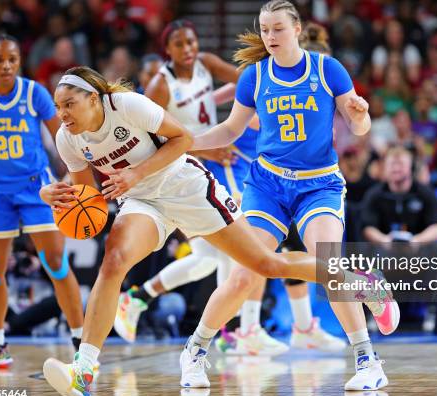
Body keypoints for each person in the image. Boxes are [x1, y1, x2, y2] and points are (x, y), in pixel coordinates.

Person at [39, 66, 396, 396]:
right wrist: (55, 195)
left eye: (69, 104)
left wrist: (135, 173)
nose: (63, 113)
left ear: (94, 99)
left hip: (186, 187)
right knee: (114, 261)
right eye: (58, 106)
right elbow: (89, 201)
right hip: (143, 203)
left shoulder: (127, 106)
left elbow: (183, 139)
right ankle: (83, 371)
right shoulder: (67, 139)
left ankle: (360, 281)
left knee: (265, 265)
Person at [185, 0, 399, 392]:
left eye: (278, 29)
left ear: (297, 29)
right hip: (267, 185)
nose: (270, 37)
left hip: (318, 183)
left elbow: (360, 125)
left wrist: (361, 113)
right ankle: (195, 352)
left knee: (328, 267)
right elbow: (231, 130)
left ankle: (369, 361)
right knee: (244, 275)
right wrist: (187, 144)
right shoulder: (254, 75)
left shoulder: (327, 69)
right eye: (265, 29)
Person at [115, 20, 341, 355]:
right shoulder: (163, 84)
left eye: (191, 41)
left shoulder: (206, 63)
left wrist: (234, 102)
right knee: (232, 249)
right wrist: (205, 147)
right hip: (190, 164)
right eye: (180, 44)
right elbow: (152, 135)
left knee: (220, 253)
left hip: (220, 161)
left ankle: (226, 328)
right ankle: (235, 329)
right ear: (168, 50)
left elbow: (246, 82)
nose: (189, 49)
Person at [0, 34, 84, 369]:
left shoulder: (34, 93)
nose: (7, 65)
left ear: (19, 61)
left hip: (35, 188)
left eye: (12, 58)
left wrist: (73, 175)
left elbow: (64, 133)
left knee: (55, 263)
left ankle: (81, 339)